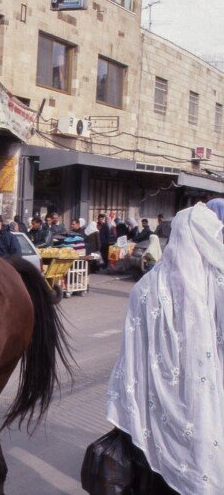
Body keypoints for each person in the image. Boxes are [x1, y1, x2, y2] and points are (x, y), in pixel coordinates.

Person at [106, 203, 224, 494]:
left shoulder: (145, 288)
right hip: (202, 399)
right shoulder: (216, 283)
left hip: (156, 406)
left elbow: (130, 361)